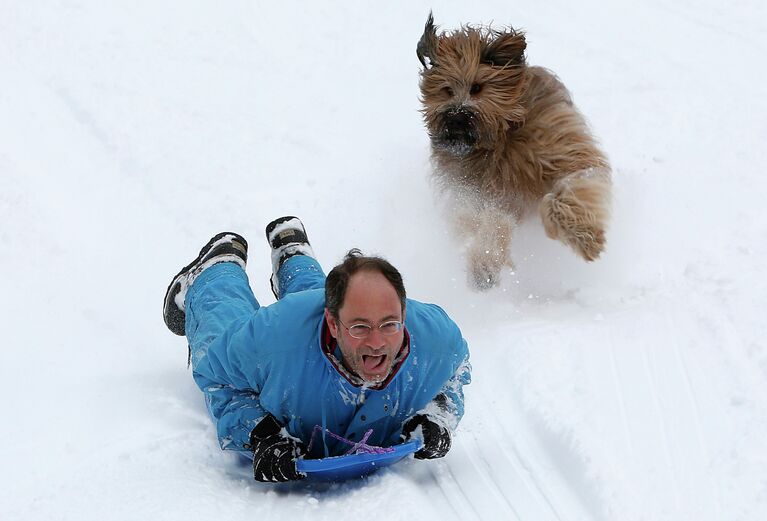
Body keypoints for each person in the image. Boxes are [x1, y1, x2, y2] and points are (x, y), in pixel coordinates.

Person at [162, 216, 471, 482]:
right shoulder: (275, 339)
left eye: (390, 324)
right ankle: (217, 268)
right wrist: (259, 433)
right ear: (333, 325)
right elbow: (217, 376)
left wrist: (438, 415)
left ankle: (292, 251)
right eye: (361, 328)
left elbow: (456, 373)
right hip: (290, 331)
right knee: (223, 328)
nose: (377, 344)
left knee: (325, 295)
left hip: (318, 312)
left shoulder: (437, 341)